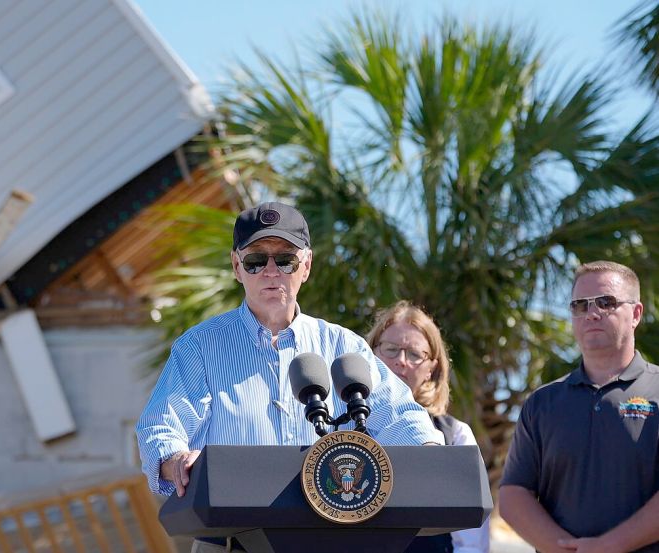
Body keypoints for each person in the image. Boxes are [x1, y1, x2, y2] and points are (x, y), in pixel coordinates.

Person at [136, 202, 442, 552]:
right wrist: (175, 459)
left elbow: (400, 416)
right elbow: (160, 427)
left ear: (306, 266)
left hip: (334, 539)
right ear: (237, 267)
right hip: (230, 541)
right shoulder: (199, 347)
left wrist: (429, 452)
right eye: (255, 261)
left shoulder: (344, 346)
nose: (271, 272)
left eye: (285, 260)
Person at [500, 260, 659, 553]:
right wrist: (563, 549)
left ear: (636, 314)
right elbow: (513, 494)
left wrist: (609, 546)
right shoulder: (542, 403)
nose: (592, 313)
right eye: (580, 305)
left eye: (605, 302)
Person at [367, 300, 490, 553]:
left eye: (414, 354)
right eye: (391, 349)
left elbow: (471, 537)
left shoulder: (454, 434)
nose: (401, 361)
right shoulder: (342, 426)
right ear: (371, 353)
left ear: (431, 368)